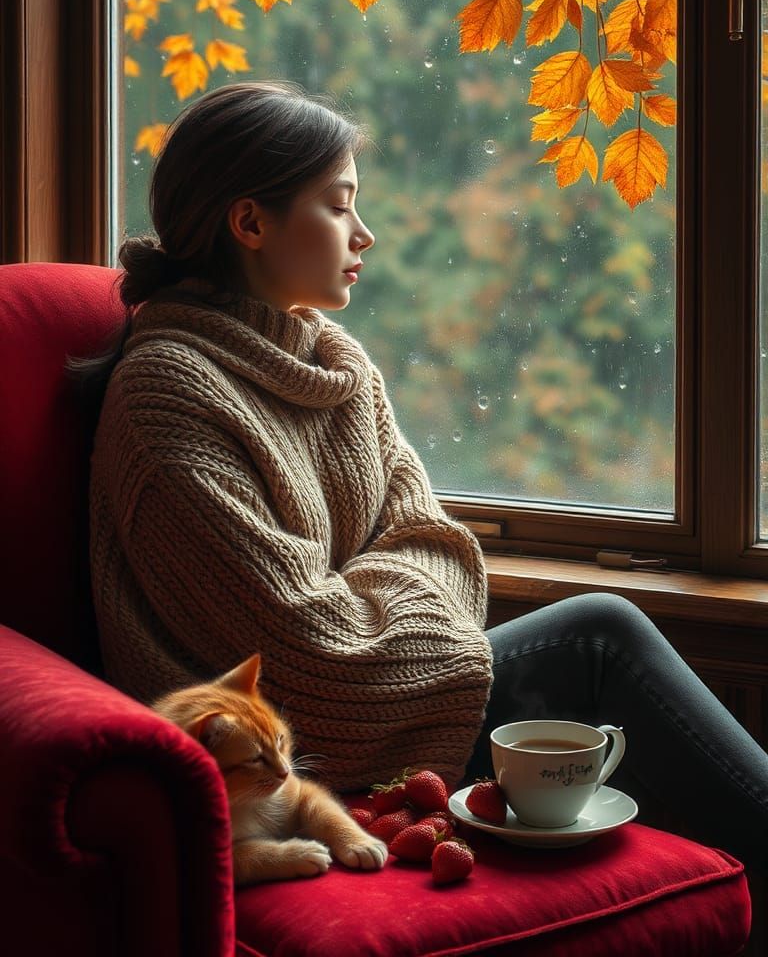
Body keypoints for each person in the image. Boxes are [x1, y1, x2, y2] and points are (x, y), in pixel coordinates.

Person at [86, 81, 768, 871]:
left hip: (394, 685)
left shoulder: (339, 366)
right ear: (250, 223)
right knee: (597, 636)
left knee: (601, 649)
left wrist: (370, 596)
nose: (365, 233)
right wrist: (383, 591)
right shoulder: (168, 393)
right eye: (339, 205)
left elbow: (437, 541)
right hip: (290, 756)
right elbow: (311, 659)